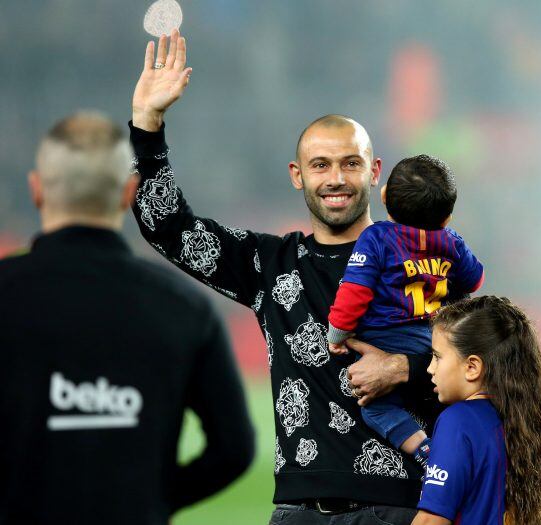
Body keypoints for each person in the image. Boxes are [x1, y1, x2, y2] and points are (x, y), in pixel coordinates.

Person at [130, 30, 438, 523]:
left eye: (349, 163)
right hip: (298, 512)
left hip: (401, 507)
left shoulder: (422, 260)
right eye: (320, 165)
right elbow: (168, 226)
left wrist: (405, 369)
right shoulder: (267, 264)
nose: (335, 178)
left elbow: (481, 363)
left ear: (374, 171)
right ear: (298, 175)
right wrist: (148, 124)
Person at [0, 112, 255, 525]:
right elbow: (234, 448)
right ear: (128, 192)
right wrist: (155, 497)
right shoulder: (184, 307)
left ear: (36, 190)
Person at [327, 154, 484, 465]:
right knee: (443, 398)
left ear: (384, 197)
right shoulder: (450, 241)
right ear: (447, 217)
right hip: (434, 338)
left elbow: (354, 292)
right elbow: (475, 279)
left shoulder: (377, 237)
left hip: (387, 338)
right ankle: (460, 451)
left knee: (376, 408)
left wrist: (337, 333)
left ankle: (424, 451)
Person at [411, 296, 541, 525]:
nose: (430, 368)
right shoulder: (519, 421)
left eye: (437, 357)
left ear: (472, 367)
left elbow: (431, 520)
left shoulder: (458, 420)